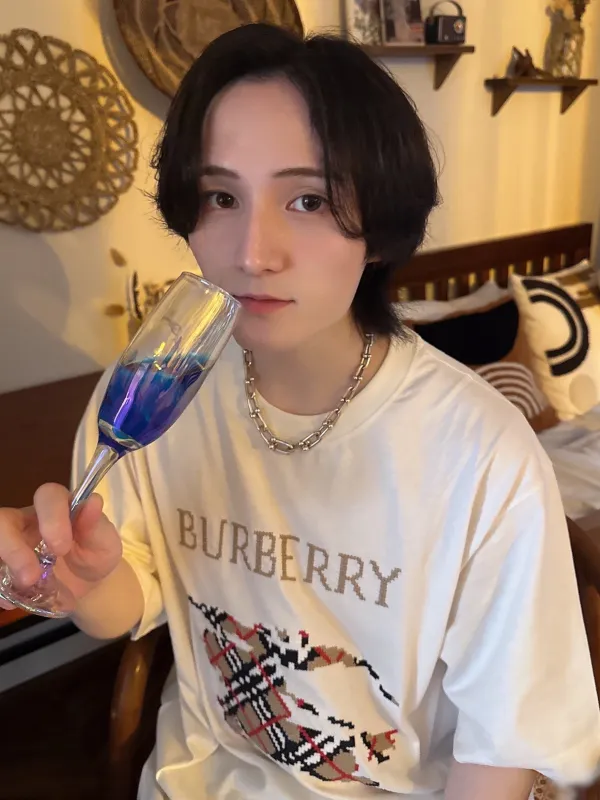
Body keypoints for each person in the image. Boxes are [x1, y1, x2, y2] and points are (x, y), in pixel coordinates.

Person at [0, 23, 598, 800]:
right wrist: (80, 579)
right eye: (221, 197)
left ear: (379, 226)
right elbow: (128, 598)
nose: (253, 252)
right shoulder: (154, 394)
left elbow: (502, 746)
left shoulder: (482, 454)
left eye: (308, 199)